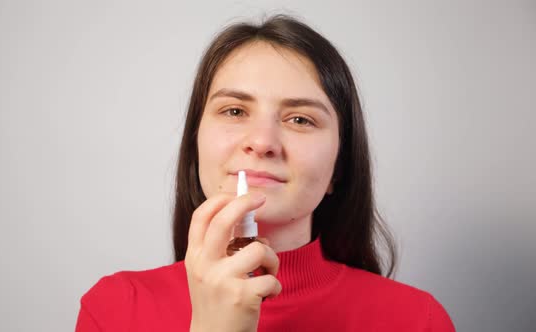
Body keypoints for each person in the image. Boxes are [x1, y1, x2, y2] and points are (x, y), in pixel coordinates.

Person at [75, 15, 455, 331]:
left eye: (300, 119)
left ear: (339, 167)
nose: (262, 142)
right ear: (195, 144)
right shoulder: (115, 310)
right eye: (235, 111)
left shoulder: (416, 320)